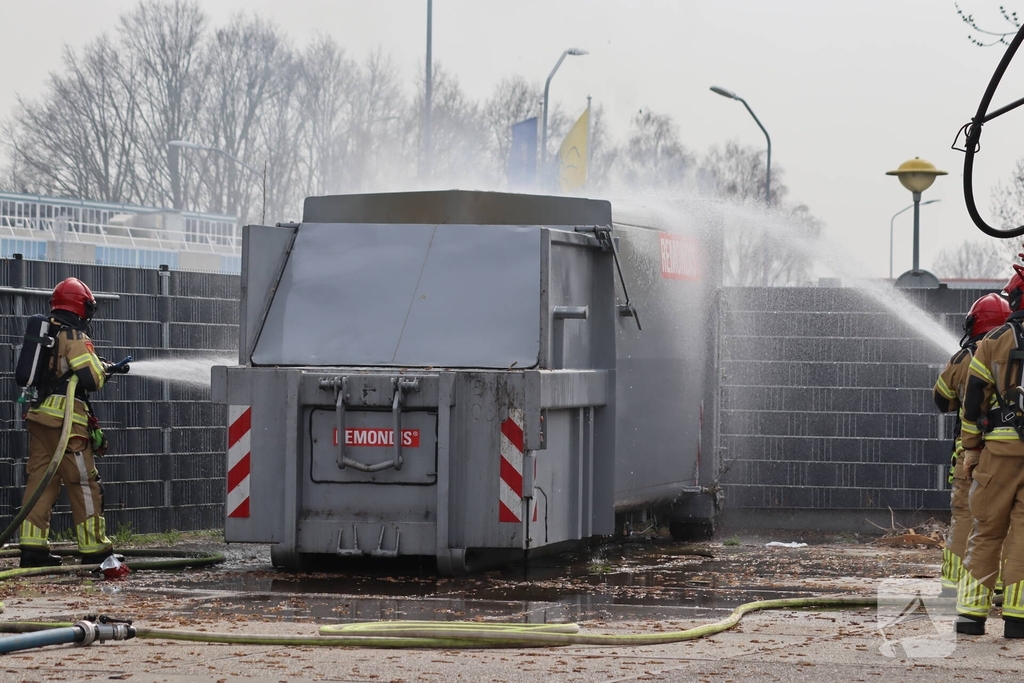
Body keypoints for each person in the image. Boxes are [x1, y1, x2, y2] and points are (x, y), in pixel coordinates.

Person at [17, 277, 126, 569]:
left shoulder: (47, 333)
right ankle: (95, 550)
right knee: (84, 483)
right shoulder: (74, 336)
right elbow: (91, 378)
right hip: (68, 425)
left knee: (41, 481)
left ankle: (32, 548)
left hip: (40, 419)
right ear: (81, 307)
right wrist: (104, 368)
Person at [957, 263, 1024, 638]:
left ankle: (970, 616)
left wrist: (971, 451)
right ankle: (1018, 620)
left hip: (997, 454)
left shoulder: (993, 341)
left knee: (986, 531)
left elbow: (972, 404)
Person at [934, 293, 1010, 597]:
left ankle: (954, 587)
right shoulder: (1009, 350)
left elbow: (942, 399)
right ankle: (1001, 585)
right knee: (1003, 519)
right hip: (1004, 453)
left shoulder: (965, 357)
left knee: (966, 515)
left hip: (969, 454)